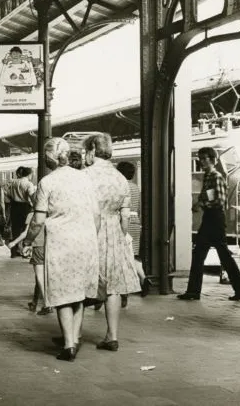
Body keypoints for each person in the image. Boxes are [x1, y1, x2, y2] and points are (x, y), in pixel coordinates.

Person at [21, 137, 99, 362]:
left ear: (49, 158)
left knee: (63, 294)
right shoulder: (85, 179)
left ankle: (68, 346)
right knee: (79, 294)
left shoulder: (48, 182)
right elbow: (96, 215)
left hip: (60, 243)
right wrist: (91, 237)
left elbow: (37, 220)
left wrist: (28, 242)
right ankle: (74, 339)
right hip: (86, 241)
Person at [83, 134, 141, 350]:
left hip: (90, 230)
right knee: (113, 287)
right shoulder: (120, 179)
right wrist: (121, 235)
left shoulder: (84, 176)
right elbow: (125, 215)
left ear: (91, 150)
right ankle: (112, 336)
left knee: (84, 283)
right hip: (114, 232)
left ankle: (73, 336)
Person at [177, 147, 240, 302]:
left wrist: (201, 204)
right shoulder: (209, 176)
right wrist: (203, 203)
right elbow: (211, 197)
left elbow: (219, 201)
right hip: (211, 219)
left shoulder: (215, 177)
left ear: (211, 159)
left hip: (215, 219)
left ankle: (238, 288)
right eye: (200, 159)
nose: (201, 162)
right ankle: (195, 291)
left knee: (219, 255)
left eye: (203, 159)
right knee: (203, 255)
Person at [116, 161, 151, 296]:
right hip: (136, 222)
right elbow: (139, 207)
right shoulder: (136, 188)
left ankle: (124, 289)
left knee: (122, 256)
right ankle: (143, 277)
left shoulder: (121, 187)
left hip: (124, 222)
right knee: (134, 255)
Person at [8, 166, 36, 258]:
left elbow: (8, 195)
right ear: (29, 174)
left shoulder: (13, 182)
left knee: (15, 229)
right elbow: (32, 196)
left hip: (14, 207)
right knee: (26, 230)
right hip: (25, 207)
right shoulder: (29, 184)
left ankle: (14, 252)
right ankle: (24, 250)